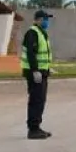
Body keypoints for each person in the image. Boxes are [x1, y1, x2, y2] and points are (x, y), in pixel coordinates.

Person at [21, 10, 54, 140]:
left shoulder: (41, 33)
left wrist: (47, 69)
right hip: (35, 73)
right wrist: (35, 70)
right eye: (45, 19)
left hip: (42, 72)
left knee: (40, 100)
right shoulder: (32, 33)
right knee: (36, 100)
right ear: (38, 20)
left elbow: (43, 55)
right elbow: (31, 53)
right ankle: (33, 129)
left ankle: (37, 127)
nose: (47, 22)